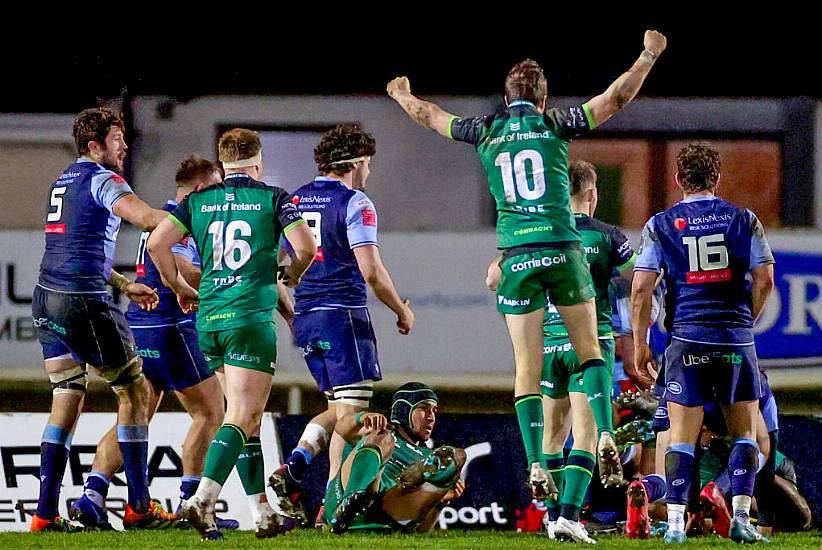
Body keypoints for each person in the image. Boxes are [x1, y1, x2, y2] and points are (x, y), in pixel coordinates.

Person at [387, 30, 667, 499]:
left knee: (526, 367)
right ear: (543, 98)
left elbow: (430, 116)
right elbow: (615, 98)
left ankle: (537, 462)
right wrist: (648, 55)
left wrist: (401, 95)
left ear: (506, 97)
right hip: (563, 250)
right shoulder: (557, 124)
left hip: (516, 257)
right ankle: (602, 432)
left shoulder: (486, 130)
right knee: (590, 353)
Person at [147, 128, 316, 540]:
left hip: (209, 321)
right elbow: (307, 248)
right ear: (258, 164)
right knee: (240, 416)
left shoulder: (197, 201)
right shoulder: (275, 198)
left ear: (223, 166)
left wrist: (180, 288)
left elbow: (156, 244)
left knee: (248, 422)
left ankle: (261, 512)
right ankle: (202, 500)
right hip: (249, 321)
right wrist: (290, 275)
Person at [68, 156, 237, 531]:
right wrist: (225, 276)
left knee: (135, 416)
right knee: (210, 412)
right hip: (172, 325)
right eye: (217, 188)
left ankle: (92, 495)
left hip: (140, 324)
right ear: (199, 190)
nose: (223, 196)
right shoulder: (186, 221)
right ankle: (191, 503)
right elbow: (178, 263)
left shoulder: (162, 216)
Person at [31, 107, 174, 531]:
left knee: (67, 395)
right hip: (82, 302)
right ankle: (139, 508)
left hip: (45, 298)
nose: (125, 146)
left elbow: (77, 249)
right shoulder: (103, 179)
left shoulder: (65, 179)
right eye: (117, 139)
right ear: (95, 146)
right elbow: (148, 218)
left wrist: (126, 285)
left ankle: (42, 515)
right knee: (134, 390)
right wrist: (202, 220)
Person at [269, 124, 415, 526]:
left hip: (310, 317)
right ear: (354, 163)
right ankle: (297, 471)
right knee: (359, 420)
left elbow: (283, 268)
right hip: (343, 316)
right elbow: (370, 270)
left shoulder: (294, 199)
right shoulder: (355, 201)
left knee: (338, 412)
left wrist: (291, 315)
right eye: (367, 164)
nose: (369, 172)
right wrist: (400, 309)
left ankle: (323, 500)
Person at [631, 143, 775, 544]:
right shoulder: (744, 220)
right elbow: (765, 279)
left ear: (678, 179)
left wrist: (641, 343)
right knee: (745, 432)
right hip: (734, 338)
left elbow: (642, 288)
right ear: (717, 178)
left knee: (680, 434)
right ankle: (743, 520)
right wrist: (745, 321)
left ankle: (675, 523)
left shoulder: (661, 224)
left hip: (686, 339)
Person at [487, 160, 636, 543]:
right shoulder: (606, 235)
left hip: (549, 343)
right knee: (586, 436)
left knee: (552, 439)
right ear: (592, 194)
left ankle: (553, 520)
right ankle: (570, 515)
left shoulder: (537, 235)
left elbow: (492, 279)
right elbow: (641, 274)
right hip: (590, 343)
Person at [325, 383, 466, 534]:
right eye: (423, 408)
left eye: (434, 411)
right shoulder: (376, 427)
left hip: (388, 509)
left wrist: (441, 501)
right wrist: (363, 417)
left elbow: (421, 531)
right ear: (404, 410)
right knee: (384, 436)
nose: (431, 417)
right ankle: (348, 505)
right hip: (349, 495)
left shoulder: (430, 458)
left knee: (456, 456)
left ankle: (413, 480)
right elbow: (340, 428)